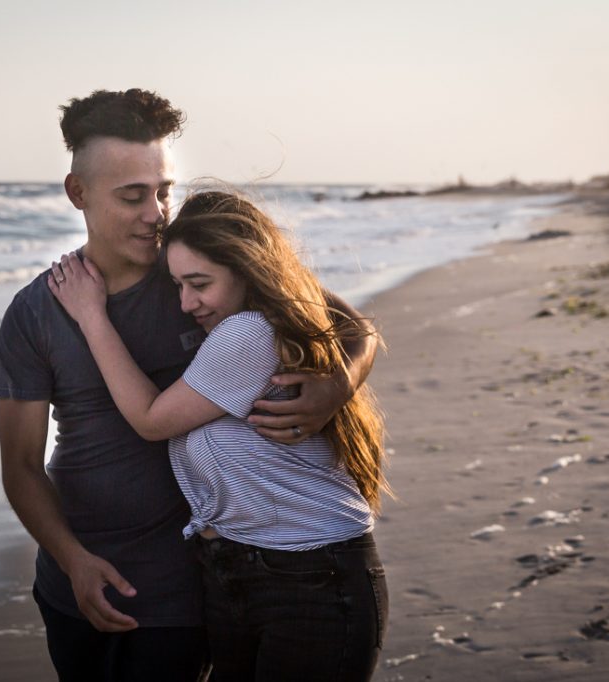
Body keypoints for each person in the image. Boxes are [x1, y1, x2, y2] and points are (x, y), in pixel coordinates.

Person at [0, 89, 378, 681]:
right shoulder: (37, 311)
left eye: (163, 190)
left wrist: (336, 387)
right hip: (75, 583)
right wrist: (72, 562)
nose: (156, 212)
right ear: (78, 193)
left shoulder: (207, 278)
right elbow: (20, 464)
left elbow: (355, 328)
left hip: (193, 586)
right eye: (132, 195)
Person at [47, 189, 390, 681]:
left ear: (246, 270)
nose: (186, 303)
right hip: (239, 576)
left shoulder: (247, 333)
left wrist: (91, 315)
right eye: (177, 285)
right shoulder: (246, 323)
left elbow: (150, 419)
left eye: (199, 283)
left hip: (311, 584)